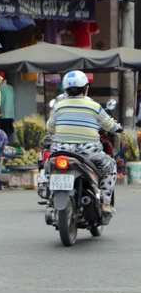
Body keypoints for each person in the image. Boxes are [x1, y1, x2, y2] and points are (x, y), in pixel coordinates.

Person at [47, 70, 122, 213]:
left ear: (66, 90)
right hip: (88, 153)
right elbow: (109, 125)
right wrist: (118, 128)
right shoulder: (94, 106)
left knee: (48, 166)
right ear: (86, 88)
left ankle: (51, 195)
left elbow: (49, 127)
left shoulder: (59, 106)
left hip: (61, 151)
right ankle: (105, 203)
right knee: (110, 167)